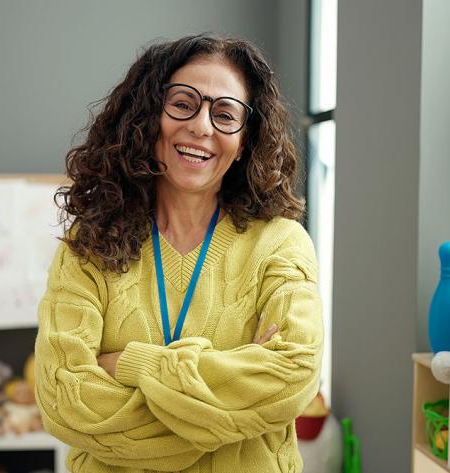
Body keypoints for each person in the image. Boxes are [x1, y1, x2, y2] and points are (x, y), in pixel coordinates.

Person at [34, 33, 323, 473]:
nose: (202, 127)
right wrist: (229, 409)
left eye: (225, 114)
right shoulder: (89, 244)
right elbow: (64, 399)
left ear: (245, 140)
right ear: (149, 117)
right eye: (184, 104)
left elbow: (293, 377)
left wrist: (130, 364)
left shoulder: (280, 243)